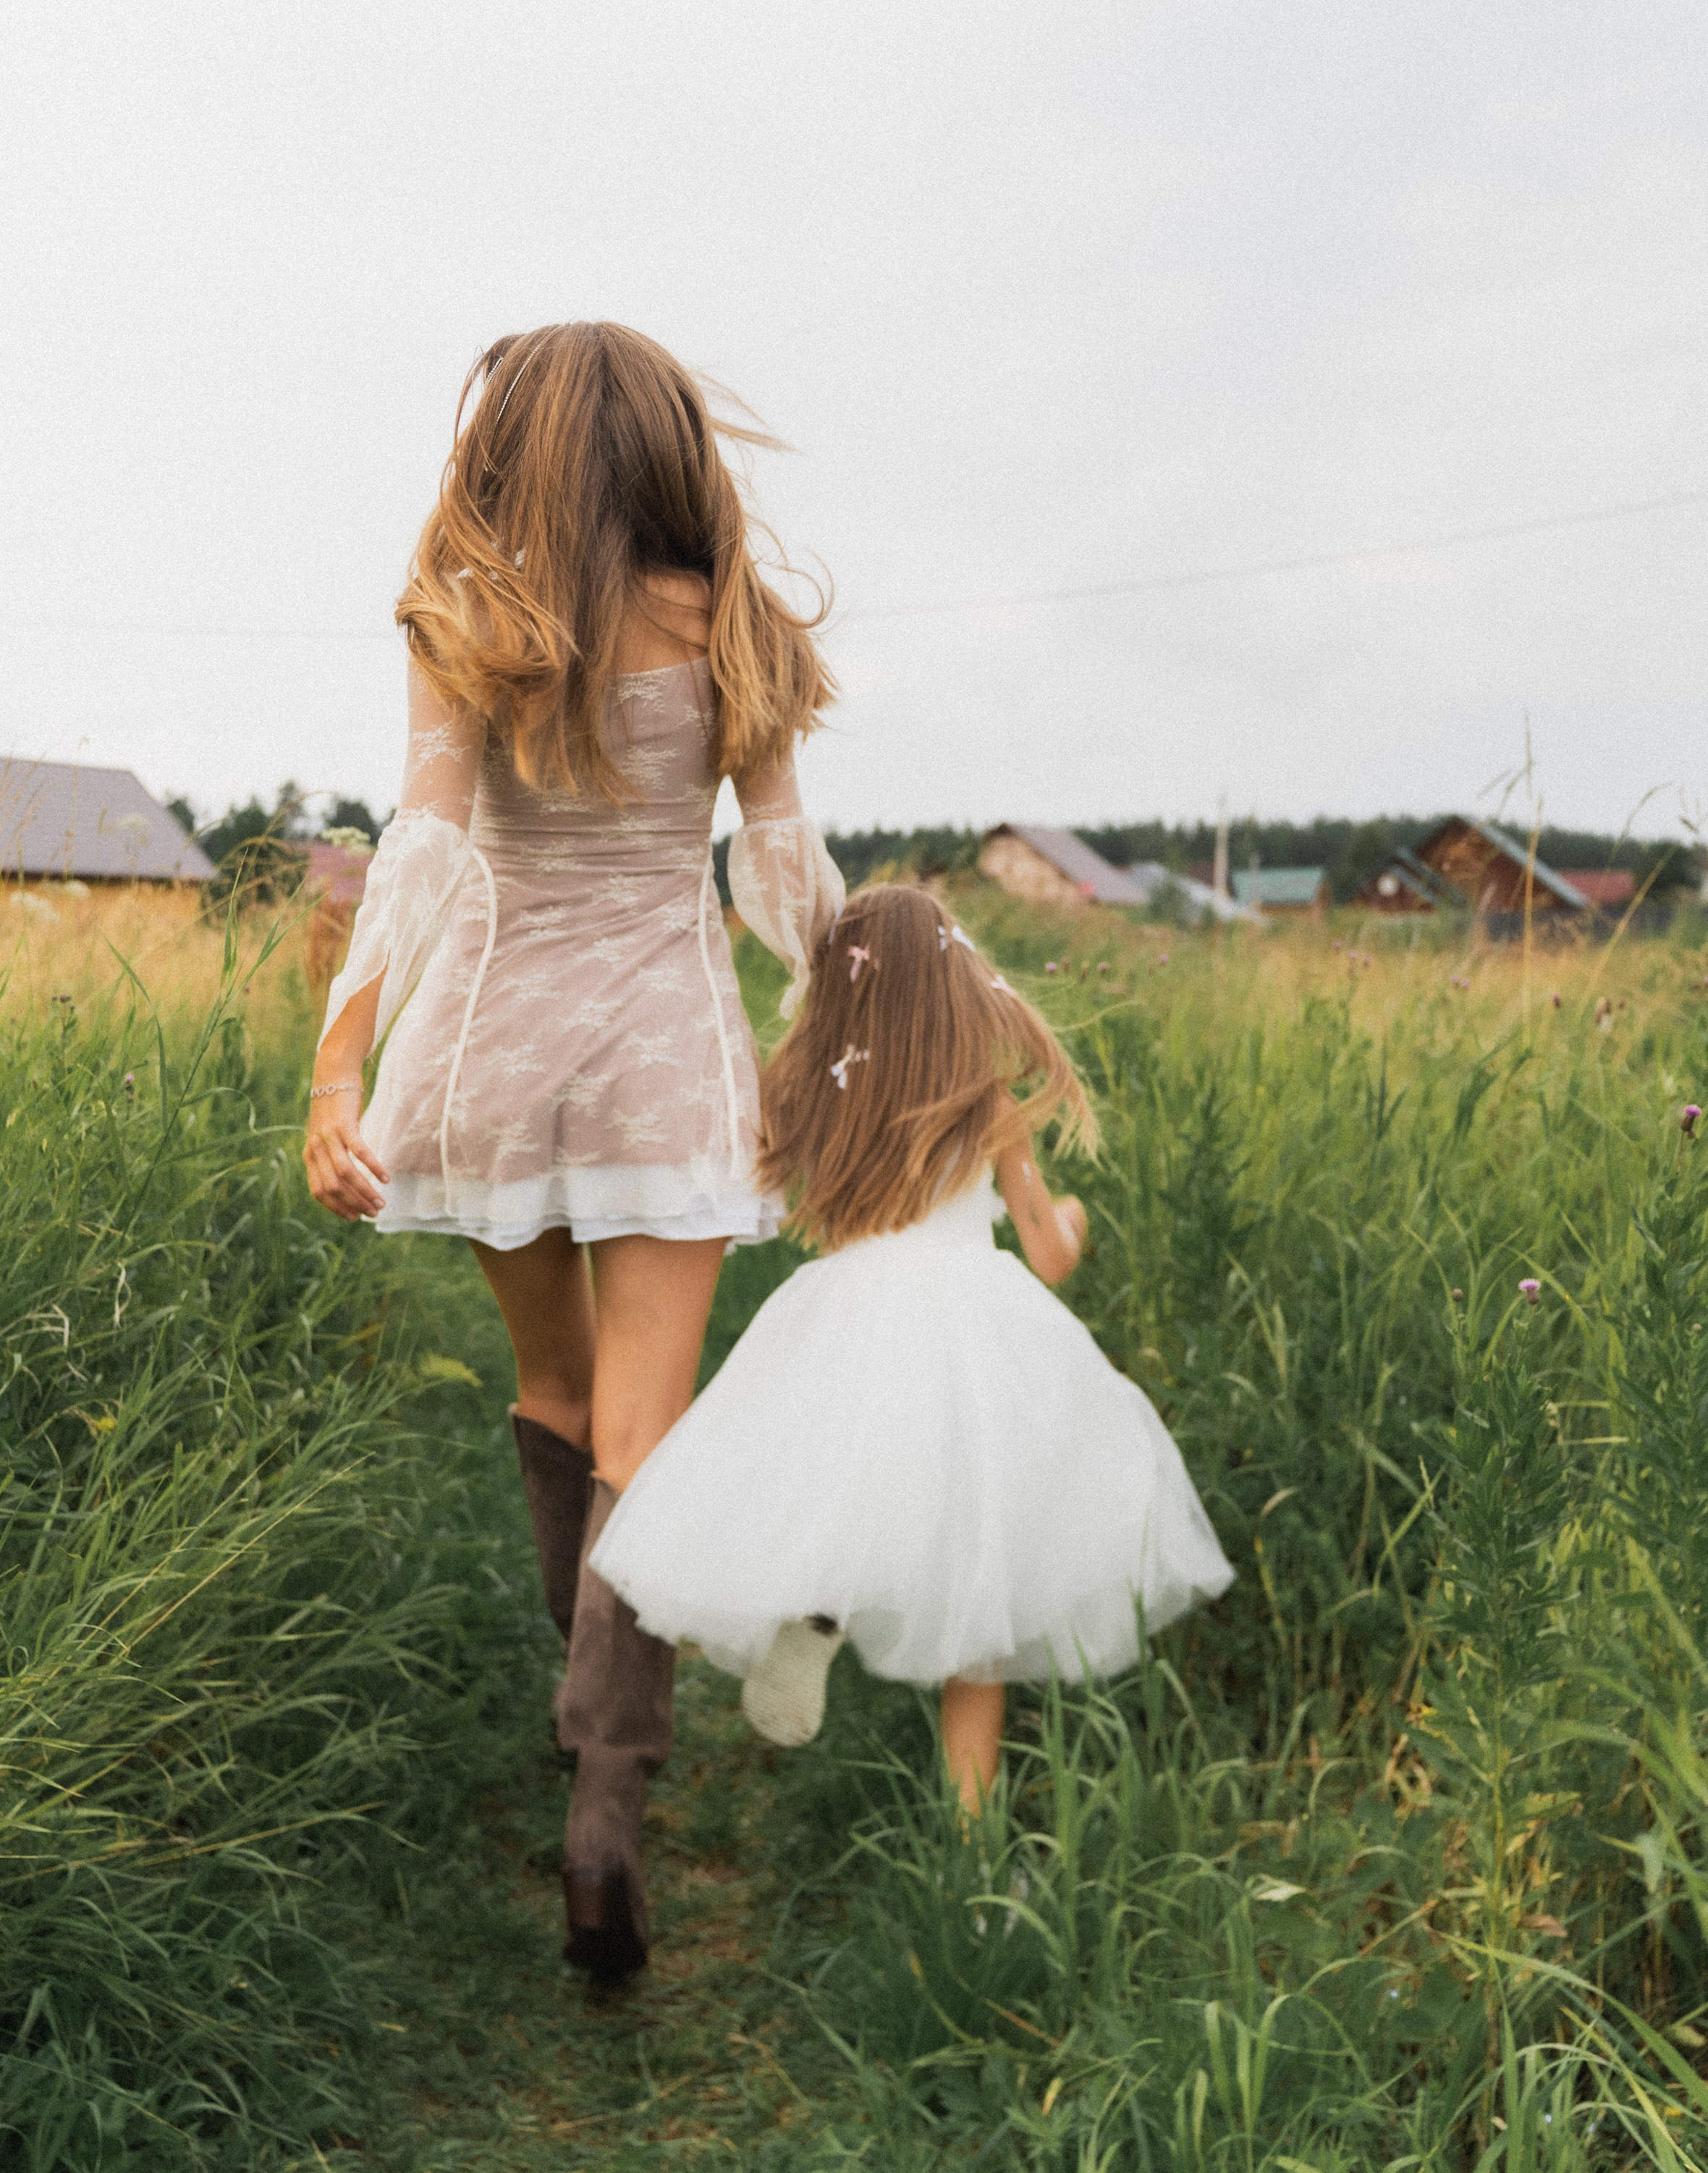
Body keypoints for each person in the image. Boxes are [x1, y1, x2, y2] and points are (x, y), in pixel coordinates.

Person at [303, 323, 844, 1983]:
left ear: (510, 450)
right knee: (642, 1424)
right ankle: (611, 1793)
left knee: (551, 1387)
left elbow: (423, 844)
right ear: (670, 447)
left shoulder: (465, 616)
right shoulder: (732, 619)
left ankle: (583, 1704)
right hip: (663, 1055)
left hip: (491, 1051)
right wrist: (831, 1034)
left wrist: (340, 1055)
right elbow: (779, 867)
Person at [590, 883, 1235, 1814]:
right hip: (971, 1318)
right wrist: (1071, 1218)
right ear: (952, 979)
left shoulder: (811, 1087)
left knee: (842, 1483)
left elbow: (750, 1181)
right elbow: (1049, 1256)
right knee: (979, 1570)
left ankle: (820, 1604)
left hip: (848, 1311)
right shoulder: (986, 1095)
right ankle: (969, 1845)